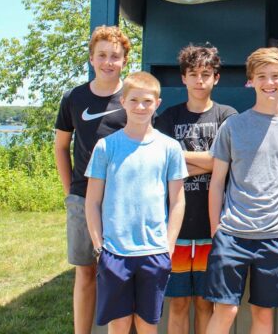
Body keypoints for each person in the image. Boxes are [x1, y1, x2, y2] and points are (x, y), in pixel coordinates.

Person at [204, 47, 278, 334]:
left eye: (275, 76)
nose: (269, 82)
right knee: (226, 310)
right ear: (251, 80)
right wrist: (217, 227)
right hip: (232, 234)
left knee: (264, 315)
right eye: (261, 76)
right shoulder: (233, 126)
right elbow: (217, 182)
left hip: (275, 237)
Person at [85, 71, 188, 333]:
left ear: (157, 103)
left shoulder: (169, 148)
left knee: (147, 323)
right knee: (119, 324)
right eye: (133, 100)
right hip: (115, 253)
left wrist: (169, 245)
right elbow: (92, 201)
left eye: (147, 101)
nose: (140, 107)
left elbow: (177, 200)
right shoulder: (106, 147)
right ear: (123, 102)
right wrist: (100, 247)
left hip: (153, 253)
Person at [154, 45, 237, 334]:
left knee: (205, 302)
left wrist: (183, 157)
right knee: (178, 304)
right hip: (176, 229)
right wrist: (212, 162)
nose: (199, 80)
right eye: (193, 74)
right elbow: (162, 162)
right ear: (183, 79)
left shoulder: (227, 116)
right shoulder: (168, 117)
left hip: (211, 224)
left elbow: (224, 162)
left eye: (205, 74)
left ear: (216, 78)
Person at [54, 25, 131, 334]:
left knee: (116, 273)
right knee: (85, 273)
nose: (108, 62)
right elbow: (61, 146)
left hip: (123, 202)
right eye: (102, 55)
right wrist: (70, 193)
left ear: (125, 60)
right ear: (91, 58)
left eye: (115, 56)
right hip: (83, 198)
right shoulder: (74, 98)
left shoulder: (133, 98)